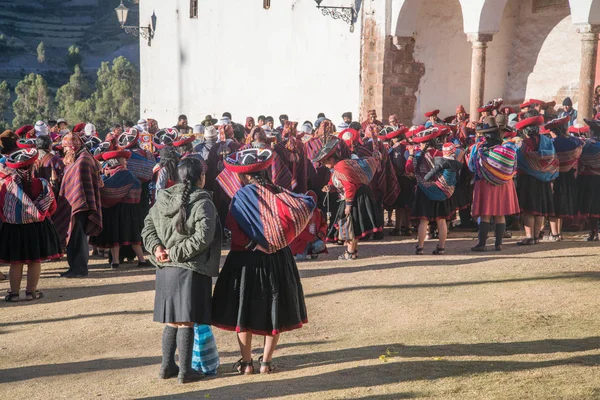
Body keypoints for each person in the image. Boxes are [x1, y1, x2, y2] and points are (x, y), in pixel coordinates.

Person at [212, 148, 312, 374]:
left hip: (245, 260)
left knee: (243, 308)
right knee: (272, 307)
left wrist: (254, 245)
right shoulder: (278, 192)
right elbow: (298, 212)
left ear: (243, 175)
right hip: (277, 257)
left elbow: (233, 229)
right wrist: (277, 241)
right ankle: (266, 362)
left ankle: (246, 363)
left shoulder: (241, 196)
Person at [143, 157, 221, 384]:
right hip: (189, 267)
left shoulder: (162, 198)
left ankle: (167, 366)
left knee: (172, 321)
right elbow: (203, 238)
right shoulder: (203, 202)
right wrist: (172, 253)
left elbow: (147, 228)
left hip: (166, 268)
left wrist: (158, 249)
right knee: (185, 320)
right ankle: (185, 371)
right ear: (201, 178)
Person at [1, 149, 62, 302]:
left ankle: (14, 294)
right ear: (33, 166)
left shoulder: (7, 185)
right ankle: (31, 292)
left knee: (17, 262)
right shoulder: (42, 184)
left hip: (14, 228)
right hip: (37, 227)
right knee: (34, 261)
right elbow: (52, 206)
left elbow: (1, 207)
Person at [315, 137, 383, 260]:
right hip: (352, 196)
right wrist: (330, 187)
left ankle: (350, 252)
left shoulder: (341, 166)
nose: (324, 165)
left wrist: (348, 205)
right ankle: (353, 251)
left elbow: (349, 186)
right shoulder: (337, 167)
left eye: (325, 162)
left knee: (349, 224)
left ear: (331, 158)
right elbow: (336, 181)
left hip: (355, 197)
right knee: (352, 225)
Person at [54, 133, 103, 278]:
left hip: (81, 204)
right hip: (76, 203)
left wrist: (77, 200)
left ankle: (79, 269)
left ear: (72, 147)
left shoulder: (83, 161)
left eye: (65, 148)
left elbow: (80, 185)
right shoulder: (78, 158)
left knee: (78, 237)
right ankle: (73, 267)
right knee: (73, 236)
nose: (64, 151)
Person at [90, 150, 148, 269]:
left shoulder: (106, 174)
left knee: (115, 236)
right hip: (128, 209)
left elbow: (103, 187)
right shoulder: (125, 173)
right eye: (124, 159)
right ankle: (141, 260)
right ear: (119, 160)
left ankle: (115, 262)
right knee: (133, 235)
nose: (126, 161)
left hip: (113, 210)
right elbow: (136, 184)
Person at [468, 117, 519, 251]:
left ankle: (482, 244)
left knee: (486, 213)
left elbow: (472, 166)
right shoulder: (507, 147)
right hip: (504, 183)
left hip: (486, 184)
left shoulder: (479, 149)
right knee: (500, 214)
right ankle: (498, 244)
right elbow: (514, 166)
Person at [407, 126, 459, 255]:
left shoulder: (418, 155)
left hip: (424, 190)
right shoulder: (440, 154)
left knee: (423, 220)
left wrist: (411, 155)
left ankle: (420, 247)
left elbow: (408, 169)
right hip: (441, 190)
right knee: (441, 220)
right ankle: (441, 248)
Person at [515, 113, 558, 245]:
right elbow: (553, 159)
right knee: (539, 210)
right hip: (544, 180)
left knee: (529, 210)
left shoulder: (523, 145)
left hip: (528, 181)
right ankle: (536, 236)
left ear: (526, 132)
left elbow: (519, 161)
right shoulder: (547, 141)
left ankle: (529, 237)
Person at [577, 119, 600, 241]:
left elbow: (581, 160)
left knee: (592, 207)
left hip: (591, 180)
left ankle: (593, 232)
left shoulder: (587, 146)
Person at [290, 191, 327, 261]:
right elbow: (298, 230)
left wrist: (321, 232)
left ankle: (314, 252)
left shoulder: (318, 212)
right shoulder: (300, 213)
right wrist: (310, 238)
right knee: (300, 258)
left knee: (321, 245)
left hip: (315, 239)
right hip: (302, 241)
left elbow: (323, 224)